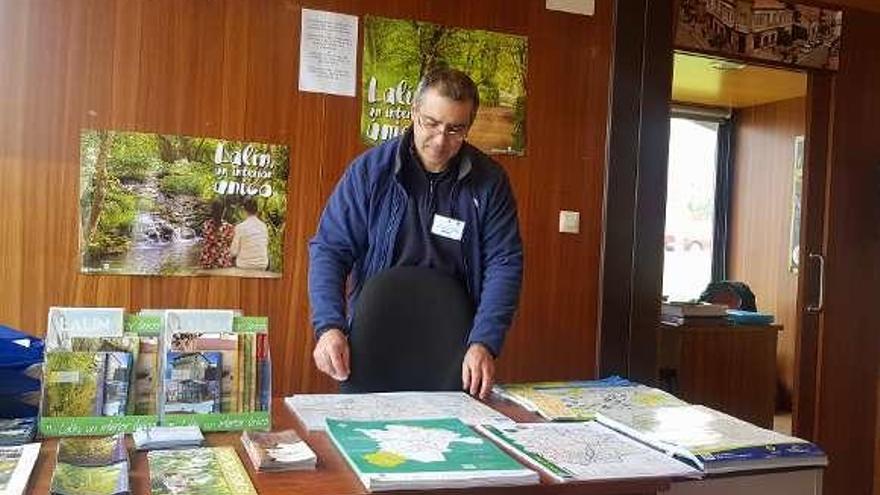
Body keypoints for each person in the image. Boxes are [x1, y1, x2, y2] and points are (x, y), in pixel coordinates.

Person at [309, 68, 523, 399]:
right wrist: (328, 326)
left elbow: (504, 263)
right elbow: (329, 249)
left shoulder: (490, 182)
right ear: (413, 113)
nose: (440, 140)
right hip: (374, 335)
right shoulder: (369, 172)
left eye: (455, 130)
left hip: (454, 341)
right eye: (431, 123)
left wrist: (485, 342)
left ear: (469, 126)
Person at [230, 197, 270, 270]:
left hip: (244, 265)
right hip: (262, 265)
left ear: (244, 210)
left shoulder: (240, 227)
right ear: (257, 210)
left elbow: (233, 252)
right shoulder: (263, 226)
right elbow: (265, 245)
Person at [199, 200, 234, 269]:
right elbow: (230, 244)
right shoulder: (229, 227)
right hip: (223, 262)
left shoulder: (206, 225)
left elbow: (207, 241)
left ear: (212, 210)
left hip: (207, 262)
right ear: (223, 211)